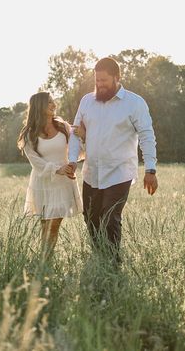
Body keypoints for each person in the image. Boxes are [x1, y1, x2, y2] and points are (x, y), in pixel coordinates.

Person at [68, 57, 158, 260]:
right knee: (90, 218)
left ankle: (113, 263)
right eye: (97, 80)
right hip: (92, 172)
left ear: (117, 78)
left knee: (110, 218)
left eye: (104, 81)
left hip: (119, 172)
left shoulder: (135, 103)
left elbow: (147, 136)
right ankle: (100, 258)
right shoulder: (87, 101)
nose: (99, 85)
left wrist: (150, 170)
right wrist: (73, 160)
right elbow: (76, 132)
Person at [17, 92, 82, 258]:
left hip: (63, 182)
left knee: (54, 222)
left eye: (53, 101)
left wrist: (72, 163)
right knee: (46, 224)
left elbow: (77, 150)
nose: (54, 105)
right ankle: (44, 260)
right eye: (49, 103)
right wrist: (56, 169)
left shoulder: (63, 127)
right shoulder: (29, 134)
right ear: (39, 107)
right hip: (43, 182)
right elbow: (35, 162)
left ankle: (45, 259)